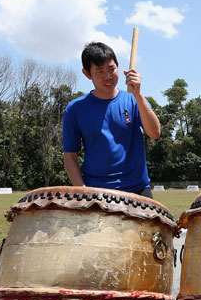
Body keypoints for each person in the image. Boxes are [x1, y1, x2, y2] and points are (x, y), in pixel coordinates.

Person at [63, 42, 160, 198]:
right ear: (87, 74)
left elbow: (155, 133)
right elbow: (70, 156)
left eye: (111, 69)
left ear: (118, 67)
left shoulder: (133, 100)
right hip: (95, 193)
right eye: (100, 71)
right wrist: (81, 189)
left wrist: (138, 94)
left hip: (137, 190)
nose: (108, 77)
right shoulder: (75, 109)